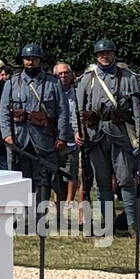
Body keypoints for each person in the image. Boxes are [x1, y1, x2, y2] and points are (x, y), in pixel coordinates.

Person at [76, 38, 140, 237]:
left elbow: (138, 110)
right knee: (102, 181)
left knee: (125, 180)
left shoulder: (128, 77)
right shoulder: (87, 78)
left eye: (108, 53)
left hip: (120, 133)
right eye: (100, 54)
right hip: (95, 134)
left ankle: (132, 225)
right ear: (96, 56)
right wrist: (77, 131)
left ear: (114, 55)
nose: (104, 56)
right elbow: (79, 110)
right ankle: (108, 224)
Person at [0, 44, 69, 213]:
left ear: (39, 60)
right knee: (21, 178)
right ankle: (22, 215)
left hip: (44, 138)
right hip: (20, 139)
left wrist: (61, 137)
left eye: (34, 59)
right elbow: (4, 112)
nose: (30, 62)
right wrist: (7, 135)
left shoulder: (53, 83)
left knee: (43, 178)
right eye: (27, 58)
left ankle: (40, 216)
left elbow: (63, 112)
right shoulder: (11, 83)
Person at [52, 61, 82, 203]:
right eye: (60, 73)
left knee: (71, 173)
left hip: (72, 139)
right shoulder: (51, 92)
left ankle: (69, 202)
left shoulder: (77, 93)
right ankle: (57, 201)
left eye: (66, 73)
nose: (63, 76)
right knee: (55, 173)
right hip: (55, 138)